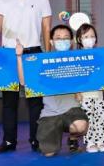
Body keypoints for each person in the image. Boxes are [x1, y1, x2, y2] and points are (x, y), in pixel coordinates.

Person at [0, 0, 51, 153]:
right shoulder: (1, 0)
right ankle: (9, 141)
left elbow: (46, 28)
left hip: (34, 53)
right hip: (9, 54)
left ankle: (36, 140)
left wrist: (47, 54)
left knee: (36, 101)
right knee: (9, 102)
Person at [36, 25, 89, 156]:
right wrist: (19, 56)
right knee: (49, 153)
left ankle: (73, 138)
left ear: (71, 42)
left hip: (71, 109)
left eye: (66, 38)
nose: (62, 41)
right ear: (51, 42)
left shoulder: (78, 60)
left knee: (80, 126)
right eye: (58, 38)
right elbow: (23, 81)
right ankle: (55, 133)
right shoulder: (42, 62)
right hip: (50, 112)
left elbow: (95, 77)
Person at [75, 22, 104, 152]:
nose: (89, 39)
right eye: (86, 36)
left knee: (101, 118)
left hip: (98, 94)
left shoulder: (100, 56)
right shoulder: (76, 57)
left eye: (92, 36)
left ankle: (100, 141)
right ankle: (90, 143)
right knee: (88, 119)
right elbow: (74, 77)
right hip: (85, 96)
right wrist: (77, 92)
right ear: (79, 39)